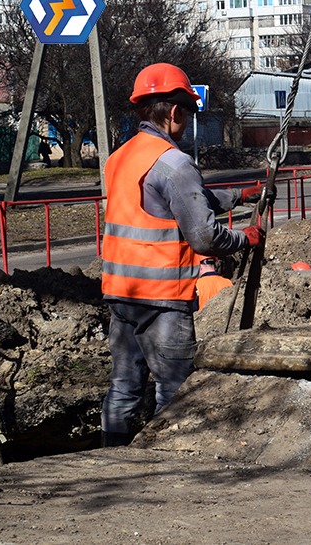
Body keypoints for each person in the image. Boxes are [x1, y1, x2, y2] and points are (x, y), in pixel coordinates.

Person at [100, 63, 267, 448]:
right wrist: (246, 239)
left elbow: (167, 203)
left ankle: (111, 459)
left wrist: (239, 196)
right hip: (161, 297)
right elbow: (204, 235)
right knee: (174, 391)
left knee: (124, 387)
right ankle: (166, 466)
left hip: (121, 292)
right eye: (188, 113)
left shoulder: (120, 158)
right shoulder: (175, 162)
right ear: (175, 113)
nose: (188, 121)